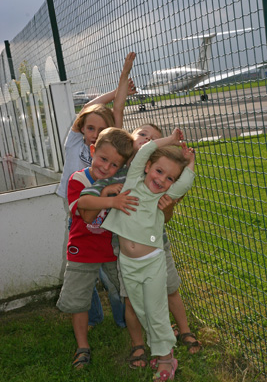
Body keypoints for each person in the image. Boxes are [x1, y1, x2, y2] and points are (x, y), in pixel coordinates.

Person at [78, 123, 202, 368]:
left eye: (169, 178)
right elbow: (145, 151)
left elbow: (185, 182)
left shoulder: (162, 196)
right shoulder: (132, 181)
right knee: (140, 309)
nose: (161, 179)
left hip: (152, 262)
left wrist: (190, 161)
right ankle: (163, 341)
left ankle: (166, 359)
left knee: (155, 311)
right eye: (158, 171)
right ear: (147, 167)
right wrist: (169, 139)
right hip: (127, 263)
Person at [56, 52, 136, 329]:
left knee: (112, 270)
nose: (94, 132)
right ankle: (91, 316)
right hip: (78, 213)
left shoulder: (110, 150)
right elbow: (87, 109)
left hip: (107, 216)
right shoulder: (75, 144)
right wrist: (115, 89)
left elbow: (120, 110)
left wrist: (125, 78)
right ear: (82, 129)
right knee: (81, 270)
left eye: (101, 129)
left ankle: (122, 319)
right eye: (90, 127)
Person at [56, 127, 138, 369]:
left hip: (112, 248)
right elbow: (87, 214)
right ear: (92, 151)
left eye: (114, 165)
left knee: (126, 291)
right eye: (103, 159)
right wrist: (108, 197)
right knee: (78, 299)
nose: (106, 167)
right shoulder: (78, 179)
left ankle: (138, 330)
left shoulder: (121, 179)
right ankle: (83, 346)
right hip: (82, 249)